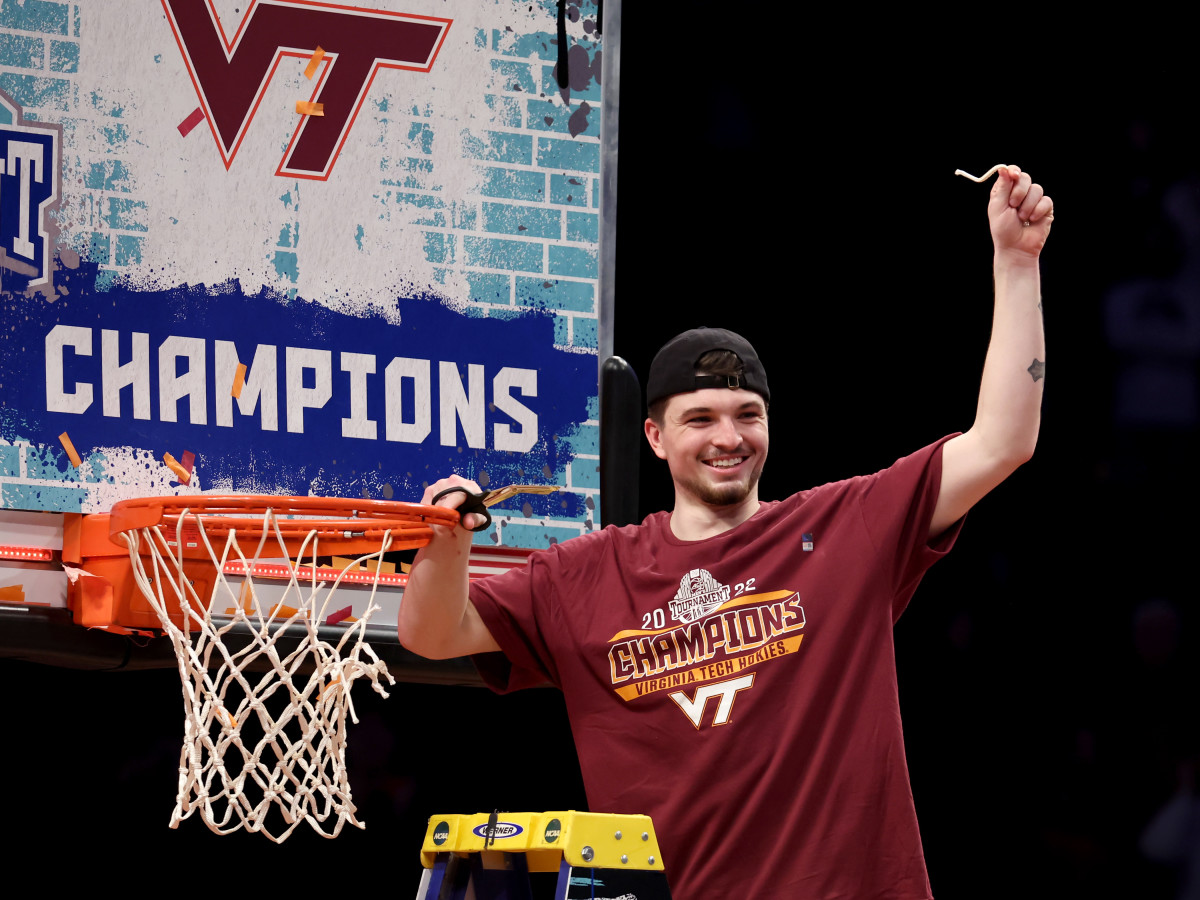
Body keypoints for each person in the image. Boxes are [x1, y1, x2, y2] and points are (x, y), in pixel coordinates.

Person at [399, 165, 1052, 898]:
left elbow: (1003, 441)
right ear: (653, 436)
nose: (728, 437)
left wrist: (1016, 261)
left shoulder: (844, 527)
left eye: (747, 415)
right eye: (700, 418)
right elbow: (435, 635)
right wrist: (447, 544)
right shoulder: (587, 574)